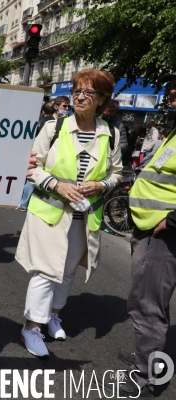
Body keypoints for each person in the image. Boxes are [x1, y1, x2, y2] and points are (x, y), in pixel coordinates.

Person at [15, 69, 122, 358]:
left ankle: (53, 315)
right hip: (49, 212)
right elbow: (31, 167)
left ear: (101, 99)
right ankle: (31, 327)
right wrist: (56, 185)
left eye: (88, 92)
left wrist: (100, 184)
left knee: (67, 271)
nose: (80, 96)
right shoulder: (54, 127)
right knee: (46, 271)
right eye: (77, 91)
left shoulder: (110, 133)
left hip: (85, 218)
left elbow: (116, 173)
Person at [104, 74, 176, 398]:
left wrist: (172, 221)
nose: (171, 93)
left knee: (147, 306)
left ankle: (146, 379)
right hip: (149, 229)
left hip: (162, 234)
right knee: (150, 304)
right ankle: (148, 361)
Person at [102, 99, 131, 167]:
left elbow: (124, 144)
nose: (108, 114)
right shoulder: (94, 122)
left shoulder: (119, 126)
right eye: (106, 111)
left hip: (110, 160)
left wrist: (113, 150)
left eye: (111, 112)